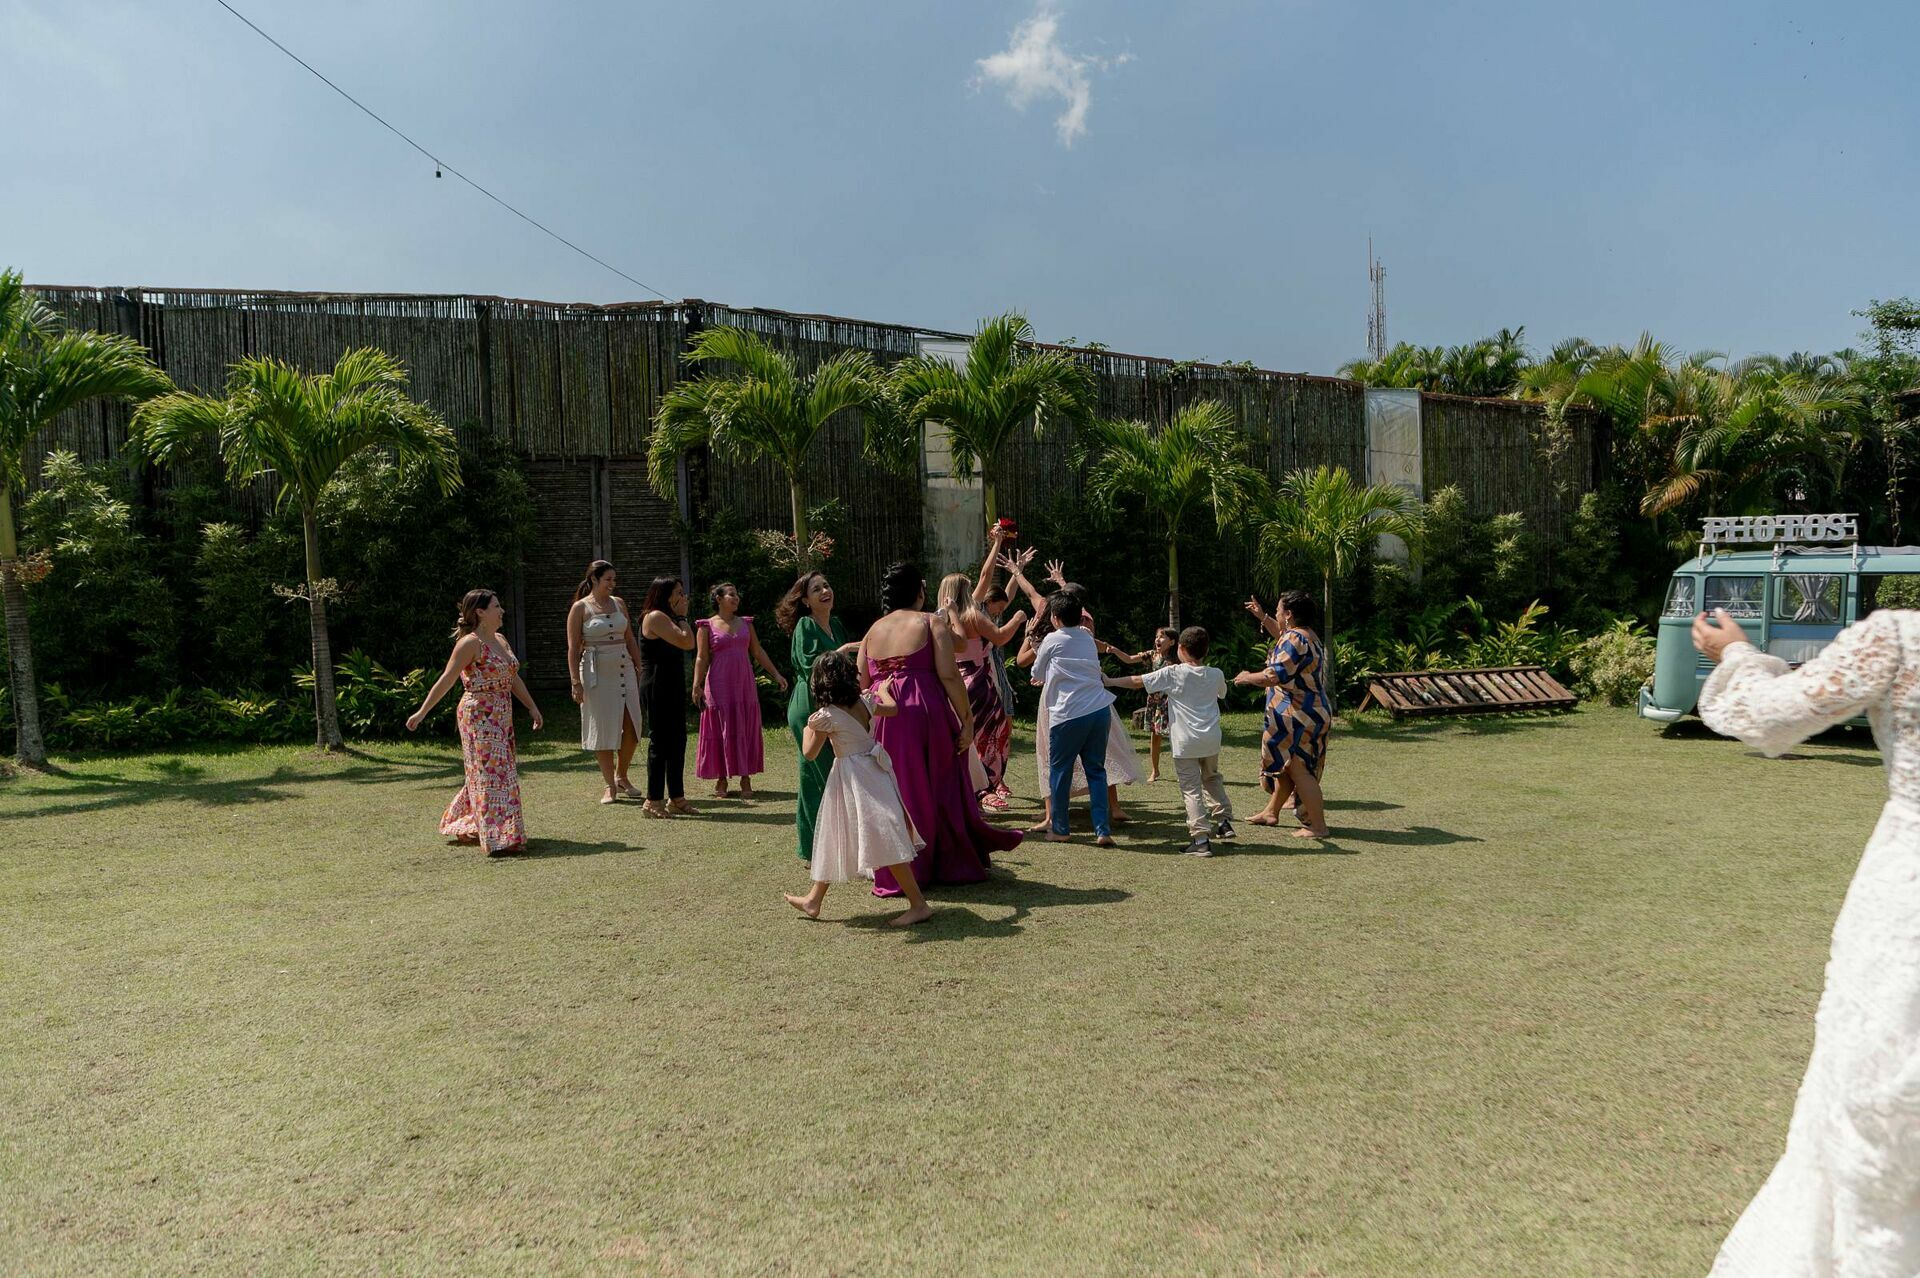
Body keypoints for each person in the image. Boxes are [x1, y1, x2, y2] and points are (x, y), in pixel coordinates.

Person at [1692, 605, 1920, 1273]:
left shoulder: (1899, 637)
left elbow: (1770, 716)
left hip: (1908, 903)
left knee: (1881, 1103)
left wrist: (1736, 653)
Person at [860, 561, 1023, 895]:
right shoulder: (929, 621)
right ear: (918, 592)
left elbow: (862, 682)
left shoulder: (872, 631)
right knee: (941, 784)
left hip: (883, 714)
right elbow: (949, 674)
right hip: (925, 710)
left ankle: (901, 868)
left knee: (898, 789)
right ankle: (947, 863)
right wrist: (967, 720)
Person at [782, 653, 932, 927]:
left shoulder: (826, 717)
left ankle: (918, 904)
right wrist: (883, 691)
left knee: (883, 837)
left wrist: (807, 729)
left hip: (854, 778)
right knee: (838, 833)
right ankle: (814, 899)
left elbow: (810, 753)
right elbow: (892, 709)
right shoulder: (864, 701)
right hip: (875, 771)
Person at [1005, 556, 1144, 832]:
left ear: (1054, 615)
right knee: (1099, 762)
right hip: (1095, 700)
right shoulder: (1085, 628)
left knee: (1055, 762)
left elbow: (1031, 667)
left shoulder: (1048, 630)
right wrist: (1058, 580)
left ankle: (1055, 821)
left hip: (1062, 702)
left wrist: (1017, 572)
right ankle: (1106, 820)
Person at [407, 589, 543, 855]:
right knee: (490, 775)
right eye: (496, 606)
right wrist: (422, 712)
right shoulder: (469, 644)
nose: (502, 611)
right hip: (478, 715)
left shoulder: (500, 640)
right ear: (480, 612)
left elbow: (512, 677)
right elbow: (447, 679)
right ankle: (498, 839)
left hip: (502, 714)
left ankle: (475, 825)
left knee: (499, 773)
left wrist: (531, 706)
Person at [1108, 625, 1233, 856]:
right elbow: (1221, 693)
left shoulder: (1173, 673)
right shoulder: (1216, 673)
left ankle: (1201, 840)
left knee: (1191, 789)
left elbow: (1136, 680)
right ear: (1206, 650)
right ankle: (1224, 822)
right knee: (1212, 778)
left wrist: (1108, 681)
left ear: (1181, 648)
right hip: (1211, 739)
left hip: (1186, 742)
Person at [778, 572, 861, 863]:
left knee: (818, 775)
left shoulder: (835, 624)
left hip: (833, 705)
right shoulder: (805, 625)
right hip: (809, 707)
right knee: (820, 774)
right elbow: (810, 666)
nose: (825, 591)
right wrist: (843, 651)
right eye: (816, 589)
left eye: (826, 585)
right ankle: (821, 848)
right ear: (805, 600)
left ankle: (817, 845)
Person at [1234, 590, 1330, 838]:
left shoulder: (1295, 638)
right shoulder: (1305, 636)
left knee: (1299, 769)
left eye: (1277, 611)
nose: (1275, 614)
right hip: (1307, 712)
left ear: (1288, 614)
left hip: (1300, 715)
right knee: (1287, 767)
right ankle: (1271, 812)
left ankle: (1317, 826)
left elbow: (1273, 675)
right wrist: (1262, 617)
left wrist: (1247, 677)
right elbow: (1282, 637)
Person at [938, 546, 1027, 811]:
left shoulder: (938, 619)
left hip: (951, 684)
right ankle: (986, 788)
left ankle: (965, 790)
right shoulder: (972, 616)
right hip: (978, 682)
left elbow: (986, 576)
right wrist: (1018, 619)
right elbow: (999, 637)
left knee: (963, 737)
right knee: (991, 735)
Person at [1031, 591, 1117, 846]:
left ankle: (1060, 828)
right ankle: (1102, 830)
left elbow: (1037, 671)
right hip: (1099, 709)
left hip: (1068, 713)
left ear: (1055, 618)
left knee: (1059, 771)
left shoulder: (1052, 638)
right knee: (1096, 770)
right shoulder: (1087, 637)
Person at [692, 583, 788, 800]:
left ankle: (746, 777)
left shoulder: (746, 623)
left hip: (743, 685)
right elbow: (701, 657)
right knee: (719, 728)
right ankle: (721, 778)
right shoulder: (706, 626)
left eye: (737, 594)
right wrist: (696, 685)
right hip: (718, 684)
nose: (736, 598)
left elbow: (757, 651)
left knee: (744, 725)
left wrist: (776, 674)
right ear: (718, 599)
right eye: (731, 595)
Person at [566, 560, 646, 804]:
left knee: (632, 724)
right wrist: (575, 682)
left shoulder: (619, 603)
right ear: (594, 579)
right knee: (602, 726)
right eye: (608, 579)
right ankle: (609, 784)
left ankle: (622, 776)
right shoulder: (580, 608)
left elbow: (630, 638)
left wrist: (639, 665)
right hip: (596, 671)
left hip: (623, 666)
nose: (613, 583)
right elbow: (573, 648)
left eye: (614, 579)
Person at [637, 577, 698, 818]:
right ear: (665, 595)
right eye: (679, 593)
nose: (684, 597)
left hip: (672, 684)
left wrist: (680, 617)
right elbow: (687, 642)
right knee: (660, 742)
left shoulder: (669, 618)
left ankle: (676, 797)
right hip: (657, 684)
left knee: (678, 740)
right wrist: (682, 617)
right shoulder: (655, 617)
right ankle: (652, 801)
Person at [1142, 626, 1180, 783]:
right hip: (1154, 702)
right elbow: (1129, 659)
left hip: (1170, 701)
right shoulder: (1152, 655)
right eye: (1157, 636)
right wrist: (1112, 650)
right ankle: (1155, 771)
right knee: (1155, 736)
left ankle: (1181, 771)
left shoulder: (1177, 659)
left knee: (1176, 736)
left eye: (1162, 637)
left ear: (1172, 642)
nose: (1158, 639)